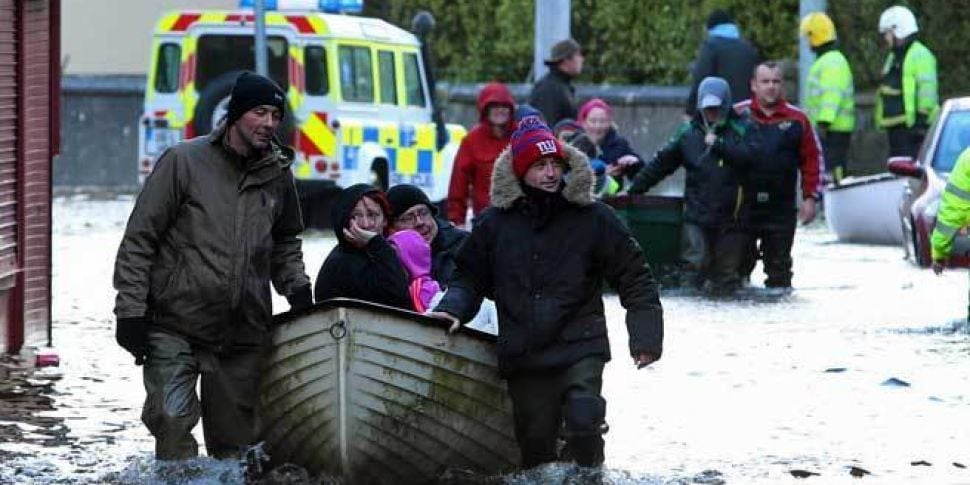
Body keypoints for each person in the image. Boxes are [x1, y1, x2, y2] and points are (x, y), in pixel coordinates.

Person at [428, 118, 664, 469]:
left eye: (555, 164)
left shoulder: (595, 218)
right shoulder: (494, 225)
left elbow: (635, 277)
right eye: (540, 165)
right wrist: (452, 309)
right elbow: (468, 277)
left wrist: (645, 338)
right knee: (536, 448)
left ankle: (589, 475)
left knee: (584, 421)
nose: (551, 173)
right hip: (524, 350)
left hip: (580, 342)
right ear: (521, 171)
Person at [112, 72, 312, 460]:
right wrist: (130, 312)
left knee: (237, 454)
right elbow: (139, 241)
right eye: (260, 112)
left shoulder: (277, 174)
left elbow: (285, 241)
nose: (269, 123)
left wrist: (298, 288)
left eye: (275, 114)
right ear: (236, 114)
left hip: (242, 332)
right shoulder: (183, 162)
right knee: (171, 419)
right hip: (174, 324)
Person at [628, 77, 753, 292]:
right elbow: (660, 165)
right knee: (693, 268)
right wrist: (633, 191)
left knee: (727, 275)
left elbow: (751, 158)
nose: (712, 113)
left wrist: (720, 145)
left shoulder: (742, 130)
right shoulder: (687, 134)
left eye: (716, 108)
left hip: (733, 219)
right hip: (696, 216)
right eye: (708, 108)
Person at [733, 62, 824, 290]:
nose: (771, 87)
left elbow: (812, 160)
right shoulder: (737, 115)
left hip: (781, 209)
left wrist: (810, 198)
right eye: (765, 82)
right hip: (743, 207)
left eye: (776, 82)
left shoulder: (798, 120)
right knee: (735, 271)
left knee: (779, 271)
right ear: (754, 85)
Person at [314, 184, 411, 309]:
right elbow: (397, 299)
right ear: (344, 221)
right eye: (355, 216)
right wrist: (377, 244)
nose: (365, 224)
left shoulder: (384, 251)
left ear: (385, 220)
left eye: (372, 215)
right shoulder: (341, 262)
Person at [447, 82, 515, 226]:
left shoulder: (522, 135)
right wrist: (456, 221)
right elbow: (458, 185)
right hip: (487, 221)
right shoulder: (471, 141)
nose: (500, 110)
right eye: (494, 106)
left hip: (521, 218)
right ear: (485, 109)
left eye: (504, 106)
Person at [876, 5, 939, 158]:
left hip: (914, 129)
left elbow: (927, 90)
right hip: (897, 129)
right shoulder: (894, 57)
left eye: (888, 33)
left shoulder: (920, 54)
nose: (886, 38)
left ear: (898, 30)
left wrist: (921, 122)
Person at [800, 12, 855, 184]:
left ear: (815, 36)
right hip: (832, 127)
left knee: (833, 171)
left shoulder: (831, 61)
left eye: (808, 36)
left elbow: (832, 94)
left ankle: (836, 205)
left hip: (833, 128)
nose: (807, 42)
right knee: (829, 170)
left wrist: (824, 122)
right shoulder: (830, 59)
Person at [387, 184, 468, 287]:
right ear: (392, 228)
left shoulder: (463, 245)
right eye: (408, 217)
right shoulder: (389, 255)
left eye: (423, 213)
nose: (419, 222)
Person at [685, 9, 760, 119]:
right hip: (746, 113)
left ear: (710, 28)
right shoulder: (749, 48)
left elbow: (701, 80)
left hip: (720, 113)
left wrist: (690, 111)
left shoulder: (711, 46)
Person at [578, 98, 643, 182]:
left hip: (611, 194)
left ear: (609, 123)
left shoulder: (619, 144)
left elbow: (640, 177)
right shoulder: (574, 145)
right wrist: (601, 174)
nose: (598, 126)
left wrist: (634, 163)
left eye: (602, 121)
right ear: (584, 123)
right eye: (593, 121)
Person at [529, 38, 583, 126]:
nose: (582, 59)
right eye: (578, 55)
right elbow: (545, 127)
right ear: (566, 60)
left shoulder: (561, 86)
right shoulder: (548, 89)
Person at [387, 229, 441, 313]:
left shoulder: (433, 294)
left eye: (394, 256)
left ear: (412, 260)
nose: (390, 263)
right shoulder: (386, 287)